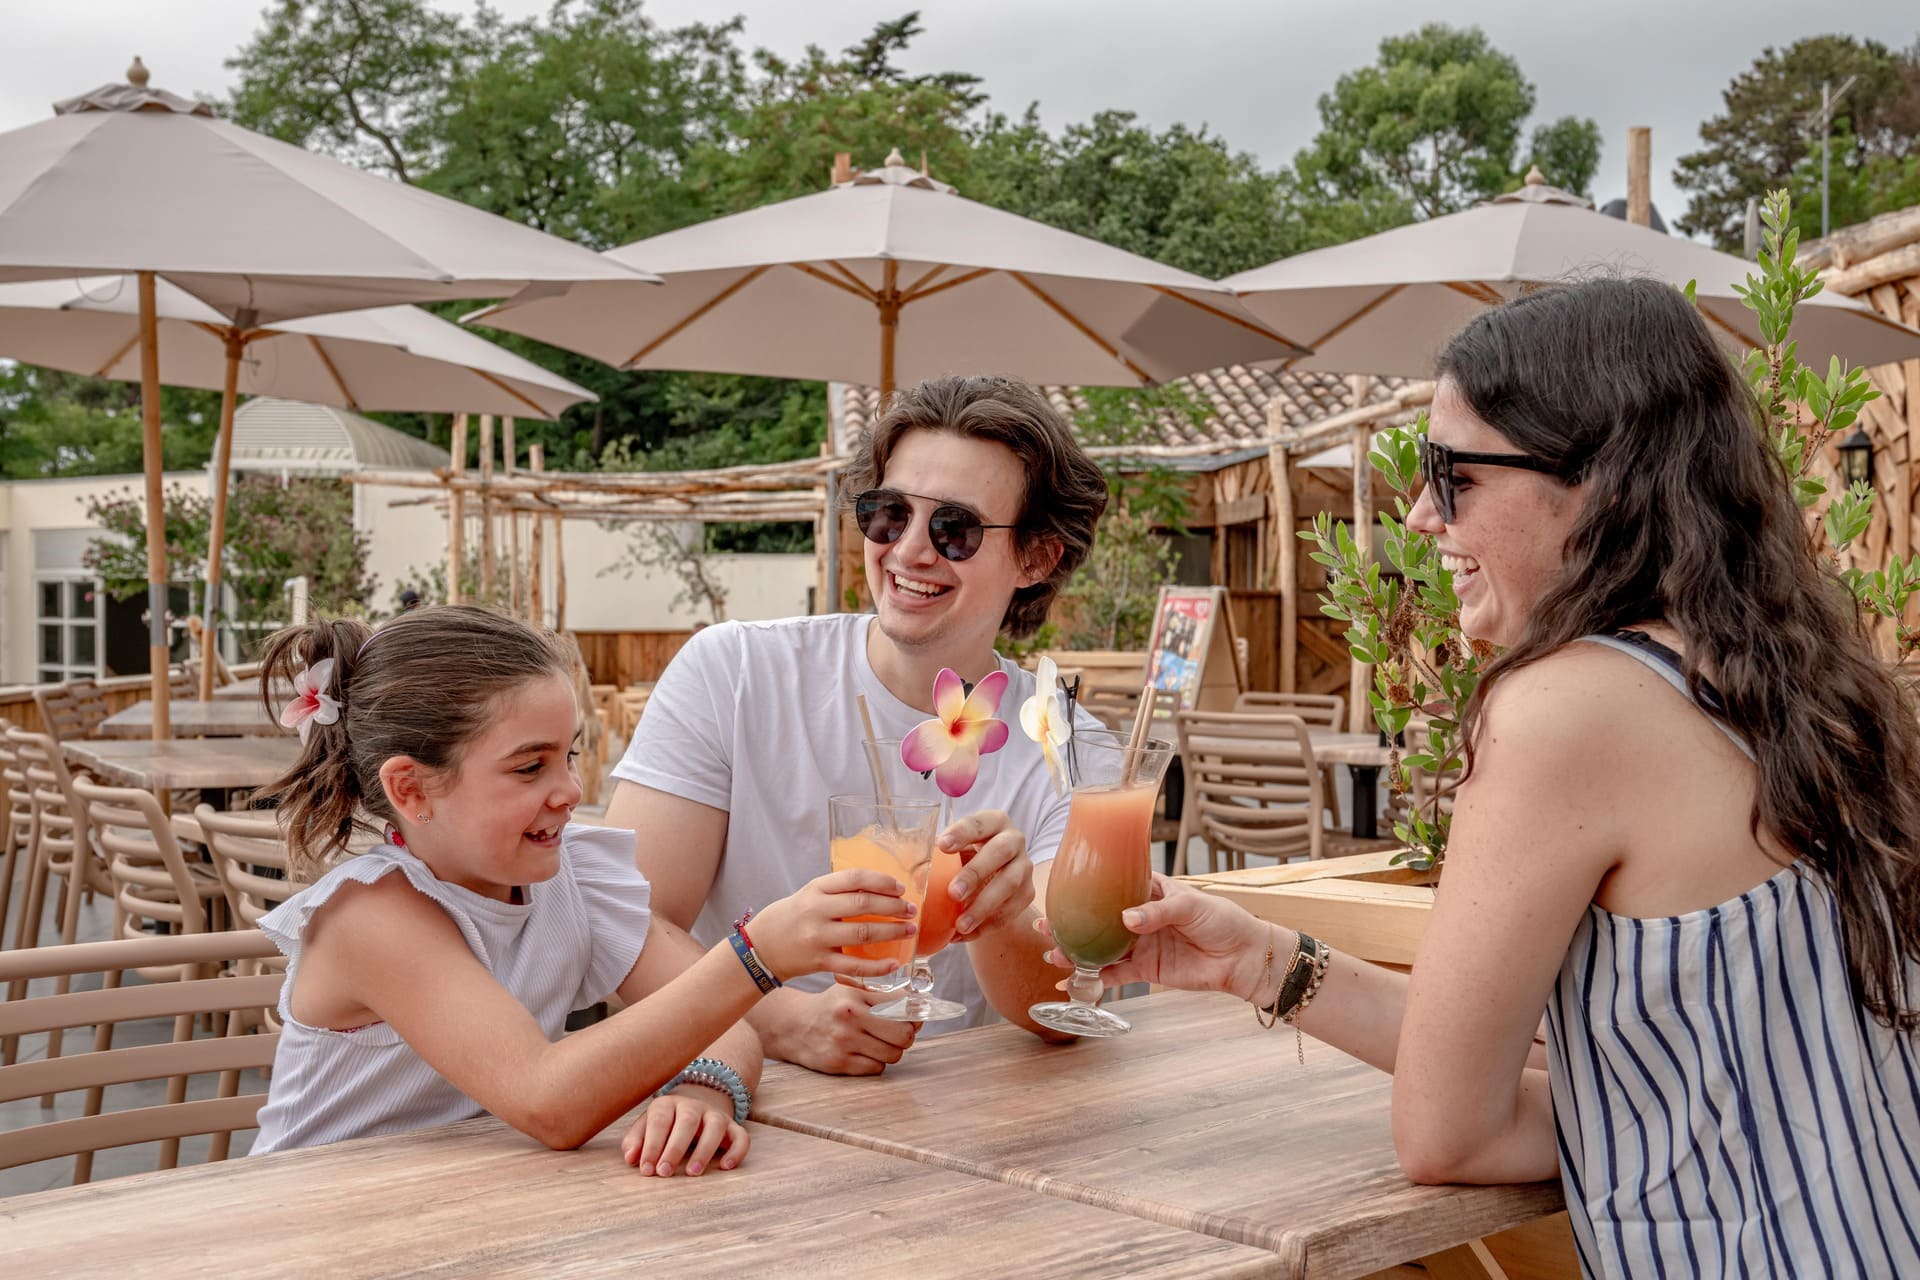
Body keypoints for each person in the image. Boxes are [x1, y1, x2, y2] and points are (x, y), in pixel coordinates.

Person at [1054, 278, 1920, 1276]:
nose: (1421, 515)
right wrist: (1259, 960)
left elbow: (1448, 1134)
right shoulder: (1779, 684)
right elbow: (1684, 1081)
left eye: (1451, 473)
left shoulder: (1566, 707)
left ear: (1596, 481)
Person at [247, 605, 915, 1173]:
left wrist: (703, 1092)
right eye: (530, 766)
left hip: (459, 1213)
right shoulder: (374, 916)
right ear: (412, 789)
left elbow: (723, 1027)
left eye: (566, 756)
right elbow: (550, 1101)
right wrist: (757, 955)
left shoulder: (572, 878)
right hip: (312, 1227)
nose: (569, 790)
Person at [607, 375, 1110, 1075]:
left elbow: (1058, 1011)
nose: (907, 550)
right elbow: (624, 924)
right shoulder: (736, 671)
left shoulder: (1073, 750)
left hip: (967, 1132)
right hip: (728, 1101)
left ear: (1037, 556)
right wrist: (784, 1025)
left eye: (954, 528)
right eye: (888, 513)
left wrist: (1002, 913)